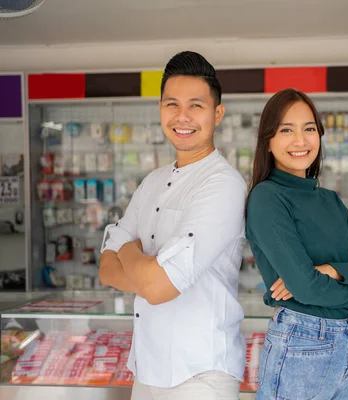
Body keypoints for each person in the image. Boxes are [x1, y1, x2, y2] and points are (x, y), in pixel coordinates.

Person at [99, 51, 247, 400]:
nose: (182, 117)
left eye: (196, 105)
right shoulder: (153, 180)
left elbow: (159, 287)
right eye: (172, 104)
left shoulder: (223, 185)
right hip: (147, 371)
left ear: (217, 113)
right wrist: (143, 269)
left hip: (200, 376)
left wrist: (124, 245)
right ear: (160, 109)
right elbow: (106, 270)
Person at [245, 88, 348, 399]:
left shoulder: (329, 200)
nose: (301, 140)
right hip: (301, 341)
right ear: (268, 141)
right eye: (286, 130)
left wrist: (331, 271)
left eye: (309, 128)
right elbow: (307, 287)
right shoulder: (267, 198)